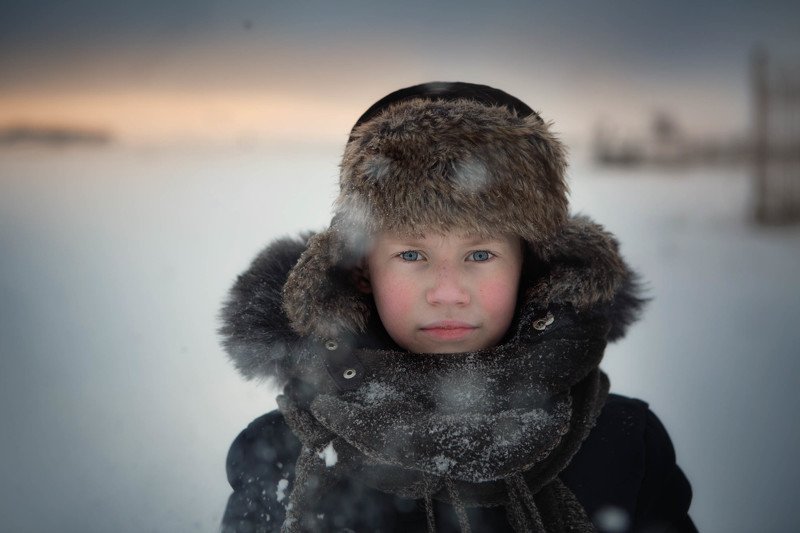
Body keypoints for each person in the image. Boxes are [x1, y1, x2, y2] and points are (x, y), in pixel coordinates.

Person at [218, 82, 697, 532]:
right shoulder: (277, 452)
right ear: (362, 269)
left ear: (529, 270)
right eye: (411, 255)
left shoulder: (624, 445)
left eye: (480, 255)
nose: (448, 292)